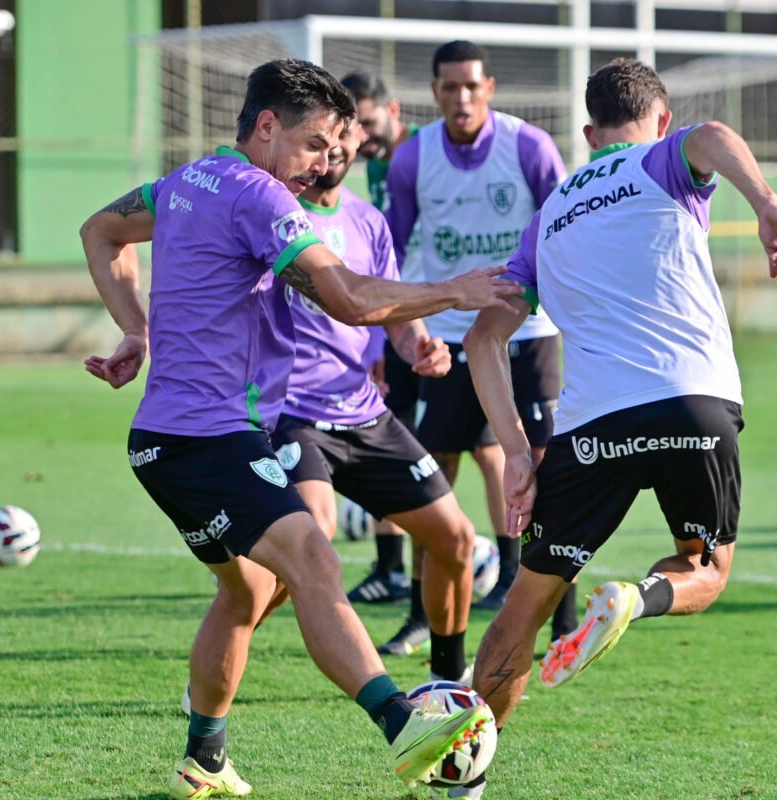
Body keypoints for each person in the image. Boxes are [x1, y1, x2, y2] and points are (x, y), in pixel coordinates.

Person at [79, 59, 510, 798]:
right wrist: (453, 290)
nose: (323, 164)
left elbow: (102, 229)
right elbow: (345, 298)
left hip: (168, 439)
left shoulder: (188, 182)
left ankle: (204, 758)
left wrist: (135, 331)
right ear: (268, 126)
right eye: (314, 144)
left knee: (245, 596)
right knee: (313, 559)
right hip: (206, 439)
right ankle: (406, 726)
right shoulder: (257, 194)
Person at [466, 57, 777, 737]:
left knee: (523, 606)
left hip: (590, 425)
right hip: (691, 399)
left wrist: (517, 453)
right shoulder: (662, 159)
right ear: (659, 120)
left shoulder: (549, 215)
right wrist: (769, 207)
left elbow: (482, 341)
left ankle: (466, 776)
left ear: (590, 133)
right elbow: (711, 136)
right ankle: (634, 597)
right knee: (704, 569)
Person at [269, 118, 477, 683]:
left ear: (360, 143)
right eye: (321, 139)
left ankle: (448, 683)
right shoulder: (274, 212)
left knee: (455, 538)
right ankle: (226, 645)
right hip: (294, 416)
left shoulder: (368, 220)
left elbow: (389, 311)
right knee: (312, 537)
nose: (333, 150)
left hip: (363, 413)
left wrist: (419, 346)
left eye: (344, 137)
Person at [384, 40, 578, 639]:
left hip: (529, 332)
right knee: (431, 471)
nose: (461, 97)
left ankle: (561, 620)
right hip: (446, 338)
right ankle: (422, 614)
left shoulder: (529, 146)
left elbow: (566, 228)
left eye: (472, 85)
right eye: (449, 87)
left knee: (543, 468)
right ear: (436, 92)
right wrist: (400, 332)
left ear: (489, 88)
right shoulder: (413, 158)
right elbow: (387, 252)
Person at [336, 72, 422, 623]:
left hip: (426, 317)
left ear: (393, 109)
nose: (362, 136)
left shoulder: (418, 155)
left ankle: (508, 569)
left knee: (475, 450)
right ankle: (391, 567)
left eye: (368, 122)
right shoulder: (379, 162)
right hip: (397, 316)